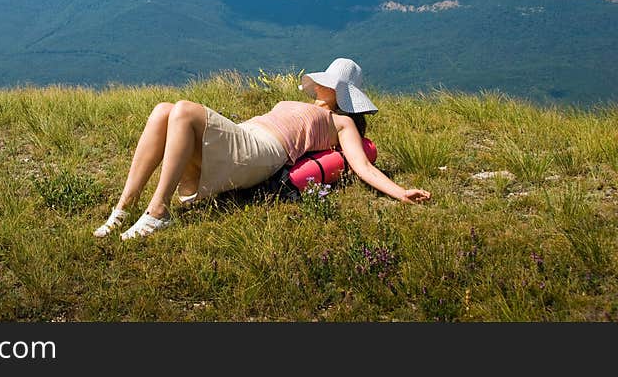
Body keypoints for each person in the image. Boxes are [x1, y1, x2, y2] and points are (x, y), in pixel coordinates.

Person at [94, 58, 431, 240]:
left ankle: (158, 211)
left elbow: (363, 166)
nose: (322, 85)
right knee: (163, 110)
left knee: (183, 108)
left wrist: (400, 193)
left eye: (331, 83)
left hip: (262, 151)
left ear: (343, 94)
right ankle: (124, 208)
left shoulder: (342, 123)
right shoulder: (308, 104)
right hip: (245, 136)